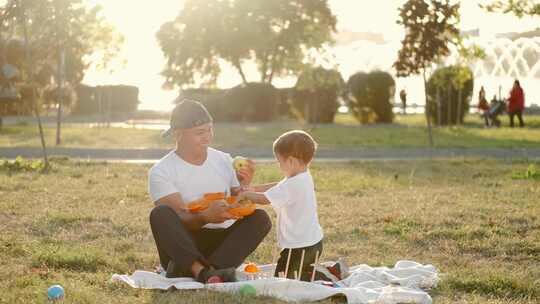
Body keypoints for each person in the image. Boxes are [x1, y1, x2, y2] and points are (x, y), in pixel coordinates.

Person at [147, 99, 271, 283]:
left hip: (222, 245)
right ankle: (199, 270)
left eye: (210, 129)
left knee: (260, 218)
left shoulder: (223, 160)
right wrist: (205, 216)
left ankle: (207, 271)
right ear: (178, 134)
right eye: (200, 132)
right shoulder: (161, 171)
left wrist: (245, 184)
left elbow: (236, 204)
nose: (208, 137)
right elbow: (180, 217)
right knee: (160, 214)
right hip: (184, 244)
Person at [237, 130, 330, 282]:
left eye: (279, 162)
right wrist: (253, 188)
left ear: (291, 161)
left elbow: (265, 199)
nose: (279, 166)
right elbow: (277, 186)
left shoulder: (293, 184)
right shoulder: (302, 177)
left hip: (300, 247)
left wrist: (246, 195)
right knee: (300, 273)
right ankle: (318, 273)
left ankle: (327, 275)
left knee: (282, 279)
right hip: (312, 242)